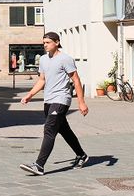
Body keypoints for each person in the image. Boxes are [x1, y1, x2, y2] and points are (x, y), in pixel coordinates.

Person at [19, 32, 88, 176]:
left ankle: (39, 165)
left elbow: (76, 80)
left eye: (48, 42)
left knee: (49, 130)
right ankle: (81, 155)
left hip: (61, 99)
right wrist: (30, 95)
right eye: (44, 42)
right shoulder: (43, 59)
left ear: (57, 43)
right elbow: (42, 80)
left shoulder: (65, 59)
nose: (45, 45)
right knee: (64, 130)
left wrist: (81, 102)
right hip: (48, 100)